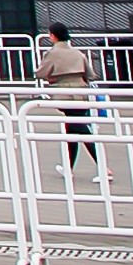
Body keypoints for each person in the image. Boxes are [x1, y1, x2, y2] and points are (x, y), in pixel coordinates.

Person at [37, 23, 98, 177]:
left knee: (80, 129)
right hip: (81, 92)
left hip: (64, 93)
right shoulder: (77, 53)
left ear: (53, 36)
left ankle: (103, 167)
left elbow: (40, 73)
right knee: (72, 129)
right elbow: (90, 74)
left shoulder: (52, 53)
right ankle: (69, 168)